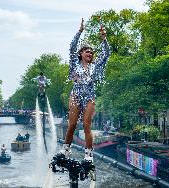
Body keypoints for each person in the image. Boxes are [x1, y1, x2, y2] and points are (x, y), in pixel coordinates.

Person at [58, 18, 110, 162]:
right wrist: (80, 31)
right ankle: (66, 150)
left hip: (89, 96)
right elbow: (72, 47)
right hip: (75, 95)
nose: (90, 54)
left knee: (87, 125)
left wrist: (104, 39)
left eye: (92, 53)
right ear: (81, 54)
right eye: (88, 52)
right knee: (73, 124)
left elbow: (107, 54)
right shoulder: (74, 64)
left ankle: (88, 155)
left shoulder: (96, 66)